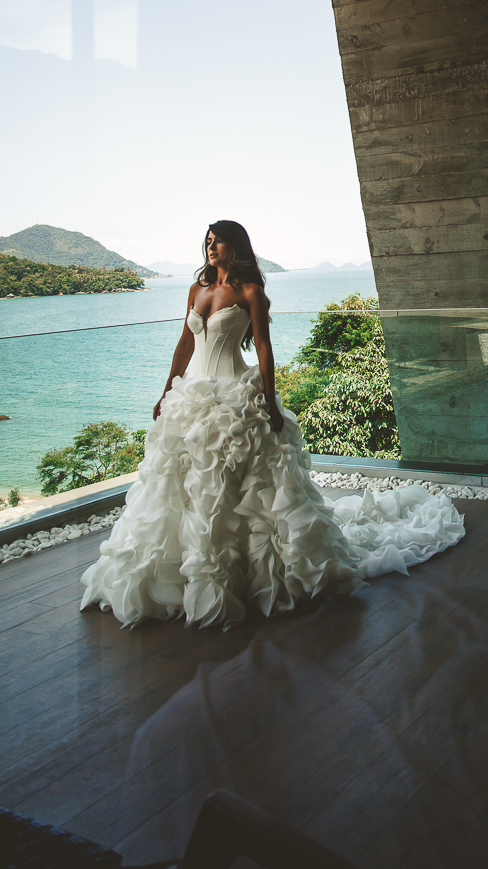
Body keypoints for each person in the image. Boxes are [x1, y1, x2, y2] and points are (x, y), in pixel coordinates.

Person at [81, 221, 464, 628]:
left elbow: (263, 347)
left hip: (235, 396)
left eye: (218, 240)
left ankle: (246, 578)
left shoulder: (250, 292)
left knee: (240, 489)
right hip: (192, 396)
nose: (211, 247)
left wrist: (268, 399)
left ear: (235, 246)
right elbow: (185, 343)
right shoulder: (197, 290)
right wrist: (165, 390)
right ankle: (180, 574)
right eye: (207, 242)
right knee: (181, 486)